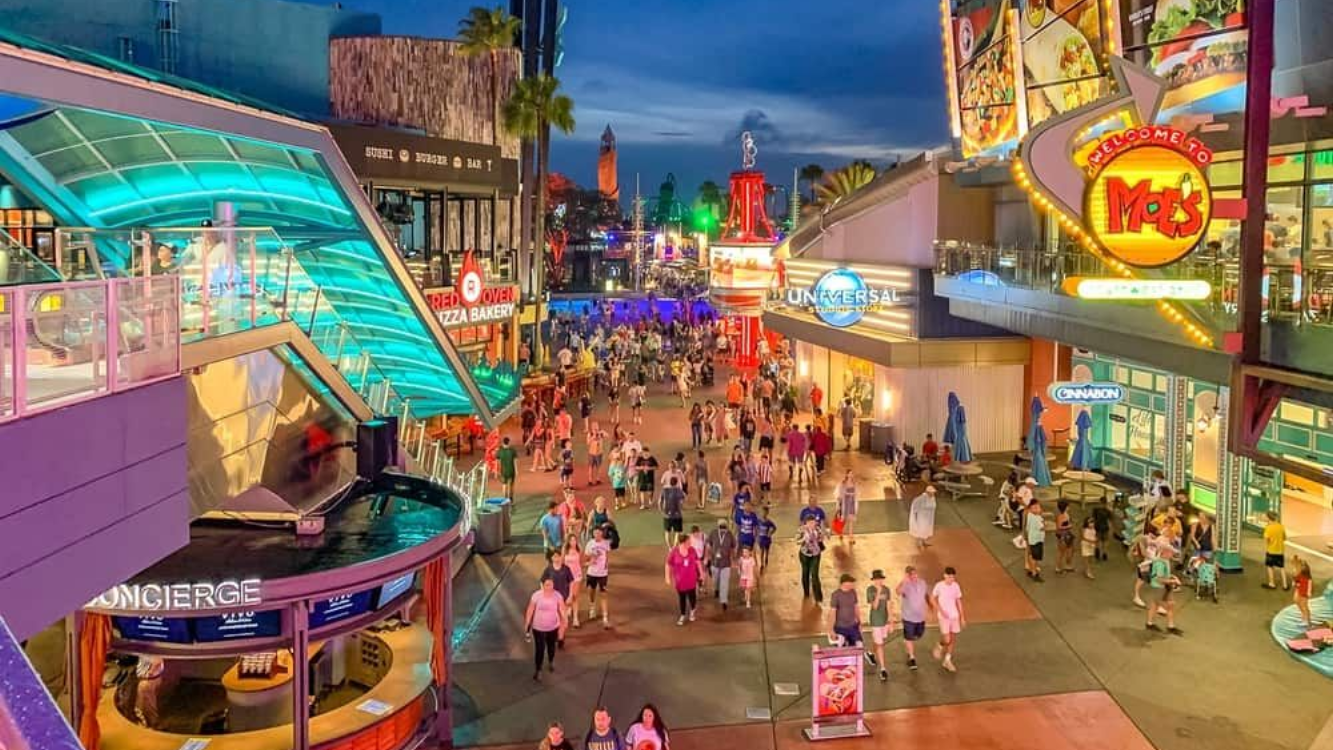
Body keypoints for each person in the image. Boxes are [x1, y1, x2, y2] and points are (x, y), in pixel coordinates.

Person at [523, 577, 567, 681]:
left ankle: (551, 661)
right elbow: (530, 609)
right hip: (538, 627)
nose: (549, 587)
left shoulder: (557, 595)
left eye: (551, 585)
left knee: (551, 646)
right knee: (540, 649)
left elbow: (562, 608)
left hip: (553, 627)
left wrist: (564, 620)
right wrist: (527, 622)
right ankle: (538, 670)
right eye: (547, 585)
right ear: (542, 585)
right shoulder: (536, 595)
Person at [1145, 541, 1183, 635]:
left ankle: (1150, 623)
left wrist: (1173, 577)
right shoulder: (1160, 564)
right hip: (1159, 588)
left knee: (1155, 605)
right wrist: (1173, 581)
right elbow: (1159, 579)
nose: (1172, 554)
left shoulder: (1165, 561)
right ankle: (1170, 626)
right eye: (1170, 552)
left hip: (1164, 587)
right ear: (1164, 552)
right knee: (1170, 605)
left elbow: (1166, 575)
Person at [665, 534, 704, 626]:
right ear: (684, 542)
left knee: (692, 597)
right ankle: (682, 615)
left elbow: (697, 562)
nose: (690, 542)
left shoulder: (692, 550)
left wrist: (701, 573)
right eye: (689, 541)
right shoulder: (674, 552)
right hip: (680, 581)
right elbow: (668, 564)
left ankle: (692, 611)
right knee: (682, 598)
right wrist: (667, 577)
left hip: (691, 579)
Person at [896, 565, 928, 670]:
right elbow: (898, 591)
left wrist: (931, 605)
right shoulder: (906, 585)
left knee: (918, 635)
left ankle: (908, 642)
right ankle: (912, 658)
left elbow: (926, 595)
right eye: (911, 575)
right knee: (909, 637)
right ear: (908, 576)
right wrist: (903, 581)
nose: (914, 576)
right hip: (908, 617)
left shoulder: (922, 583)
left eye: (915, 573)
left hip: (920, 617)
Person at [540, 549, 576, 643]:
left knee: (563, 618)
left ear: (561, 557)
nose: (556, 558)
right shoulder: (549, 569)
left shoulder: (566, 569)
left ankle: (560, 637)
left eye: (558, 556)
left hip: (563, 597)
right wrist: (544, 592)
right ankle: (556, 634)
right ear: (551, 558)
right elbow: (542, 581)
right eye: (554, 556)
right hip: (552, 598)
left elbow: (571, 582)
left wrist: (570, 595)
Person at [585, 525, 613, 629]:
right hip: (592, 572)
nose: (596, 534)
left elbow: (608, 555)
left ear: (601, 533)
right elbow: (586, 557)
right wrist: (591, 559)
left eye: (598, 532)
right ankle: (592, 607)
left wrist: (606, 566)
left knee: (604, 594)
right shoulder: (590, 544)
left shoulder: (606, 543)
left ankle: (605, 618)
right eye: (595, 533)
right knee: (591, 591)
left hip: (603, 574)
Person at [705, 518, 737, 610]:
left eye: (724, 526)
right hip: (715, 562)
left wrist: (733, 559)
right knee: (715, 580)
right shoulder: (713, 533)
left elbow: (733, 547)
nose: (722, 528)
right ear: (718, 526)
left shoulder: (730, 534)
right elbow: (708, 546)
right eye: (721, 526)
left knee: (725, 582)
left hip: (726, 563)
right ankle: (716, 589)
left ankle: (724, 601)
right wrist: (707, 557)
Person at [866, 569, 892, 681]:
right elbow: (875, 606)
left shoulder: (887, 590)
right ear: (873, 580)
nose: (879, 581)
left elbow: (889, 605)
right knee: (880, 644)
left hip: (884, 620)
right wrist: (878, 592)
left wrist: (891, 620)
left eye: (880, 579)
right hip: (876, 621)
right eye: (877, 579)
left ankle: (870, 653)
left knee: (879, 641)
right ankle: (883, 669)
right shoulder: (870, 590)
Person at [828, 574, 863, 653]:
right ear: (844, 583)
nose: (852, 584)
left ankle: (854, 664)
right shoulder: (836, 595)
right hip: (840, 627)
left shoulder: (853, 592)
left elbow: (856, 607)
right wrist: (831, 630)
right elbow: (832, 613)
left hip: (853, 626)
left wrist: (859, 622)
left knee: (857, 646)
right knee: (841, 650)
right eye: (851, 583)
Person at [796, 515, 828, 603]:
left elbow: (822, 538)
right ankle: (806, 592)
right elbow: (796, 541)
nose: (811, 524)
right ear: (806, 523)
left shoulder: (817, 529)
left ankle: (818, 596)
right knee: (805, 573)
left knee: (814, 575)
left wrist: (819, 537)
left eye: (813, 522)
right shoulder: (801, 530)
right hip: (805, 554)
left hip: (815, 554)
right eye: (809, 523)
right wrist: (803, 539)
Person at [562, 535, 585, 628]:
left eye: (574, 540)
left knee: (575, 596)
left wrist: (591, 562)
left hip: (577, 577)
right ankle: (567, 613)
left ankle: (575, 619)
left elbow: (582, 563)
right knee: (567, 596)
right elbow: (562, 563)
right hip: (567, 577)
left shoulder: (579, 550)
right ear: (568, 542)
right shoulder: (565, 550)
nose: (573, 542)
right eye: (571, 540)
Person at [1263, 511, 1289, 590]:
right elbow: (1284, 538)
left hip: (1271, 551)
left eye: (1265, 516)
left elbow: (1267, 539)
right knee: (1282, 567)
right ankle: (1285, 585)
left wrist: (1268, 546)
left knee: (1270, 567)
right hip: (1280, 551)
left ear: (1268, 518)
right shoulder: (1281, 526)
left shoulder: (1268, 528)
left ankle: (1272, 583)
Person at [659, 476, 686, 548]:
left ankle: (670, 548)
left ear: (669, 482)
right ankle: (674, 547)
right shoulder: (679, 490)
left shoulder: (664, 490)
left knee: (667, 532)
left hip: (667, 515)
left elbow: (659, 502)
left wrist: (661, 511)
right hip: (677, 515)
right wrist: (681, 507)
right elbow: (683, 500)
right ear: (677, 482)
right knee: (677, 532)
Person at [1025, 498, 1046, 582]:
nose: (1037, 509)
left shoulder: (1030, 515)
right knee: (1034, 557)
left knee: (1032, 555)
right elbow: (1043, 527)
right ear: (1030, 508)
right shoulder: (1036, 518)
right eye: (1035, 507)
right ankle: (1034, 573)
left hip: (1033, 539)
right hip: (1036, 539)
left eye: (1038, 507)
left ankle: (1031, 570)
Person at [835, 470, 858, 545]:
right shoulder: (843, 483)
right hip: (845, 503)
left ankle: (850, 536)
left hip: (851, 503)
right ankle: (840, 532)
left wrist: (854, 496)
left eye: (852, 474)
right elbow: (840, 494)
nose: (851, 475)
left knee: (851, 520)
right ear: (847, 474)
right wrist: (838, 504)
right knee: (843, 520)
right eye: (850, 473)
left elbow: (857, 492)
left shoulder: (854, 483)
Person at [1054, 500, 1076, 574]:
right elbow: (1058, 527)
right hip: (1062, 535)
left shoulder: (1066, 514)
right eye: (1067, 506)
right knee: (1061, 552)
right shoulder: (1061, 516)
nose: (1069, 507)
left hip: (1068, 534)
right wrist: (1069, 526)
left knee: (1070, 550)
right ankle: (1058, 567)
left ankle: (1068, 565)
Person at [1294, 559, 1314, 626]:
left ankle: (1307, 620)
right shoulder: (1300, 574)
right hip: (1300, 591)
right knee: (1301, 605)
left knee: (1304, 606)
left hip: (1304, 594)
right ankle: (1304, 618)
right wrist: (1296, 584)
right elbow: (1297, 580)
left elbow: (1309, 586)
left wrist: (1309, 593)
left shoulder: (1308, 578)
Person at [756, 505, 777, 570]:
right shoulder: (758, 521)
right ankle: (762, 563)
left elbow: (775, 528)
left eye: (765, 512)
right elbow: (756, 527)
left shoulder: (769, 522)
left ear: (767, 513)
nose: (763, 514)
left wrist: (770, 533)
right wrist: (757, 535)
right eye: (762, 512)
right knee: (761, 551)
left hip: (767, 539)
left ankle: (766, 557)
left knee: (767, 550)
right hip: (761, 539)